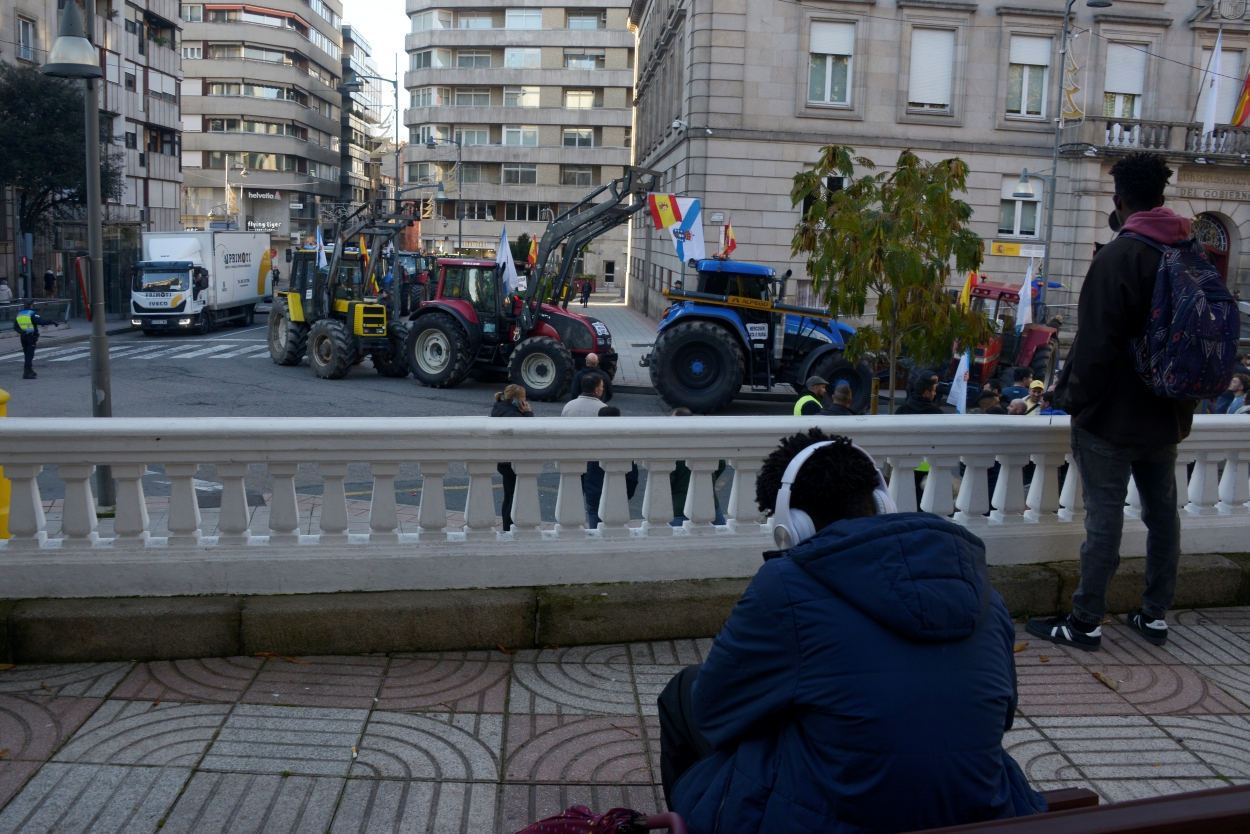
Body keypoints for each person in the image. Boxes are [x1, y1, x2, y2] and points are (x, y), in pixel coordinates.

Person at [658, 429, 1045, 833]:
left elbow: (713, 712)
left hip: (837, 821)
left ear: (795, 526)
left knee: (682, 694)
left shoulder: (786, 586)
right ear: (880, 503)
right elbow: (1001, 717)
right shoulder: (980, 587)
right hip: (982, 812)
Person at [1031, 151, 1195, 652]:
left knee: (1105, 519)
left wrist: (1069, 400)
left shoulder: (1119, 256)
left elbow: (1096, 347)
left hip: (1112, 418)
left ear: (1119, 199)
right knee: (1163, 515)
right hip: (1167, 413)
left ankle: (1084, 623)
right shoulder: (1189, 251)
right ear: (1161, 197)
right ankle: (1154, 615)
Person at [581, 405, 639, 528]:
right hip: (617, 495)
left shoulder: (590, 441)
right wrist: (626, 494)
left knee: (595, 528)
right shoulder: (625, 443)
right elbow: (632, 475)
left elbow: (582, 471)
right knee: (616, 531)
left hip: (594, 495)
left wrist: (587, 490)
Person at [669, 407, 726, 525]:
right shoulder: (707, 444)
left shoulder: (672, 450)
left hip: (679, 510)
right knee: (719, 539)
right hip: (710, 505)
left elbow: (666, 482)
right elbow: (721, 465)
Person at [490, 384, 532, 531]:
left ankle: (505, 528)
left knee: (508, 496)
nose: (525, 400)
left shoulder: (500, 408)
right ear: (515, 399)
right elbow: (528, 432)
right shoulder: (513, 415)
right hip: (511, 461)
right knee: (514, 498)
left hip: (503, 459)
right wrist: (527, 414)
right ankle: (508, 529)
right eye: (523, 397)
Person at [14, 304, 53, 379]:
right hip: (31, 336)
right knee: (30, 355)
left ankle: (30, 370)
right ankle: (27, 372)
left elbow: (15, 327)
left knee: (27, 354)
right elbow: (40, 321)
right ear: (31, 306)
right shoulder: (31, 313)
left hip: (23, 337)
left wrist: (22, 332)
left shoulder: (19, 314)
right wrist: (51, 321)